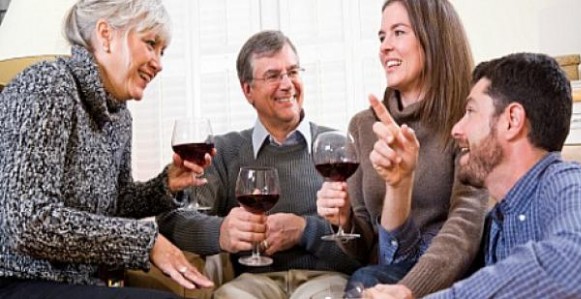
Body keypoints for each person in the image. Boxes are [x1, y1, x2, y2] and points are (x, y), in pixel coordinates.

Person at [0, 0, 215, 298]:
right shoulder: (47, 85)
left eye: (162, 51)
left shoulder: (119, 115)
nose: (159, 62)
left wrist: (164, 185)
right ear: (105, 35)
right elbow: (28, 221)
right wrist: (147, 241)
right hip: (18, 279)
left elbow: (115, 205)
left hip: (80, 283)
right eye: (150, 43)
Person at [363, 52, 581, 298]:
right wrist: (399, 184)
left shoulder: (572, 184)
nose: (456, 129)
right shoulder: (496, 225)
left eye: (470, 111)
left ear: (512, 120)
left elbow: (580, 267)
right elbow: (403, 269)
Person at [157, 30, 360, 299]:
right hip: (252, 284)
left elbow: (365, 246)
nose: (287, 84)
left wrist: (304, 230)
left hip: (327, 281)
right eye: (273, 75)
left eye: (293, 72)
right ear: (248, 90)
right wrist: (221, 232)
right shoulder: (224, 152)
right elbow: (172, 218)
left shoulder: (337, 150)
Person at [316, 0, 488, 296]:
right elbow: (363, 246)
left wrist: (408, 289)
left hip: (446, 276)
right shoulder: (363, 125)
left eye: (398, 32)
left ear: (433, 38)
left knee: (365, 281)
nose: (384, 47)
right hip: (381, 275)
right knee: (365, 279)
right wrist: (343, 219)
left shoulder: (467, 121)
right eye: (382, 37)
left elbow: (464, 227)